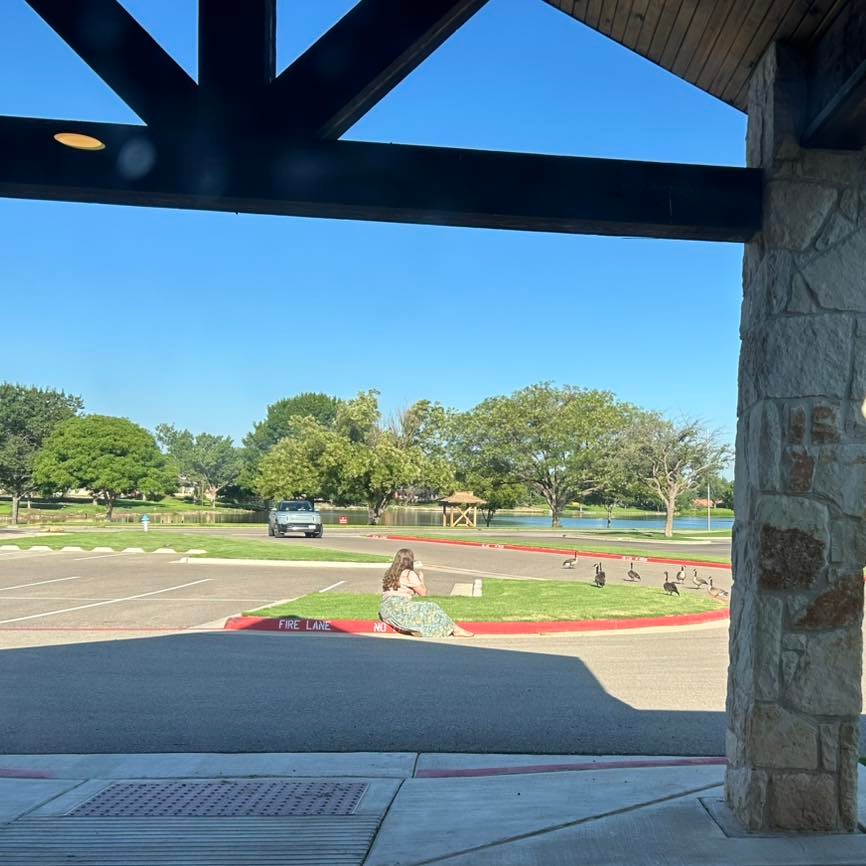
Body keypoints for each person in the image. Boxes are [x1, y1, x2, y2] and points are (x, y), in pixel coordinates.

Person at [379, 548, 473, 638]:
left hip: (386, 609)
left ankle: (417, 629)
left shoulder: (390, 573)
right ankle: (455, 629)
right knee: (432, 607)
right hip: (400, 606)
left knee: (418, 611)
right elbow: (423, 593)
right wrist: (421, 580)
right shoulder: (409, 574)